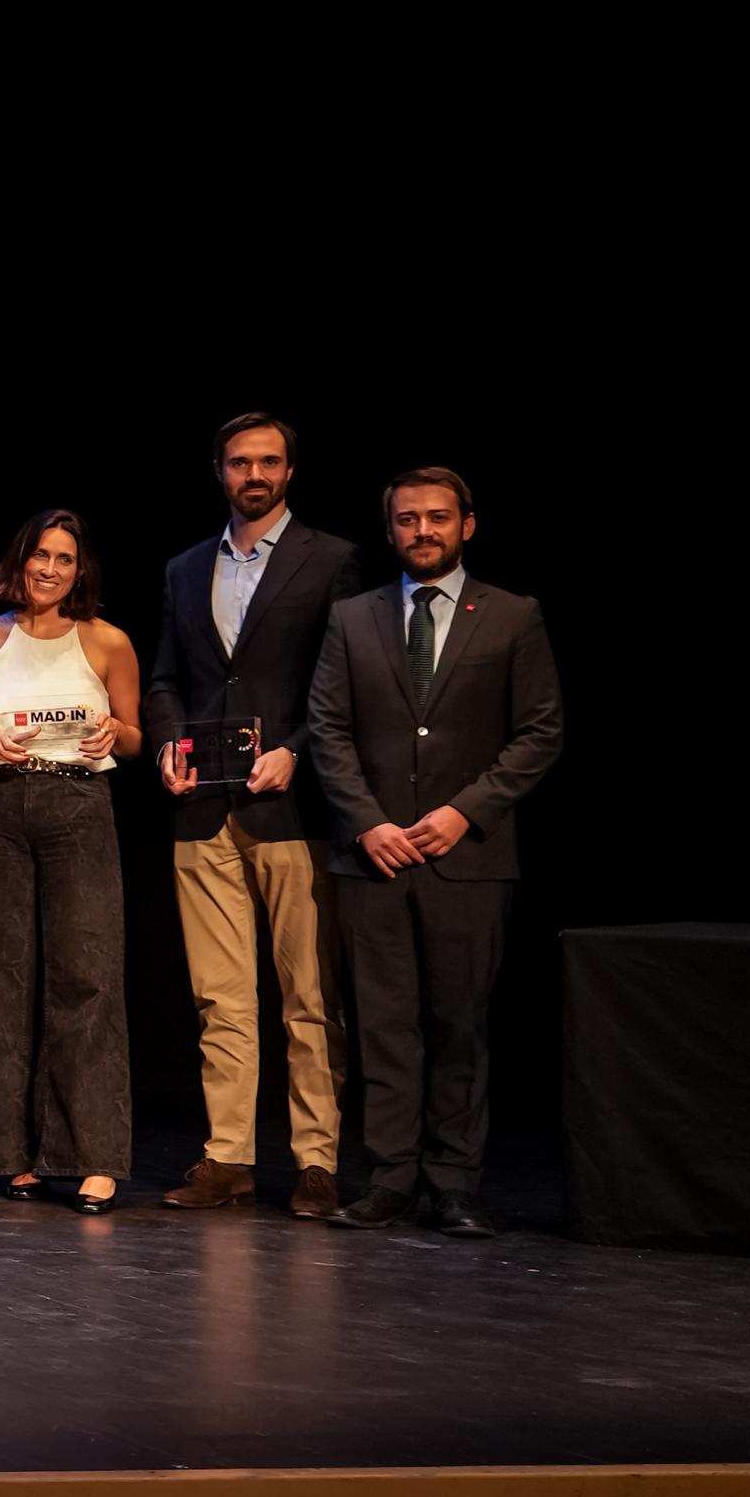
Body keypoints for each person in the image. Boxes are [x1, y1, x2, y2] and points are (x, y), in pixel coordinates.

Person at [307, 468, 563, 1237]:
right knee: (384, 1025)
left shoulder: (513, 615)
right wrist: (367, 822)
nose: (423, 530)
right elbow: (328, 728)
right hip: (374, 859)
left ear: (467, 526)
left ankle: (454, 1184)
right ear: (390, 529)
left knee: (460, 1025)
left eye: (438, 517)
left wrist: (463, 812)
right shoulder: (351, 617)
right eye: (409, 519)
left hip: (469, 858)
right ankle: (389, 1180)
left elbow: (540, 731)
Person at [144, 411, 362, 1217]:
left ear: (290, 472)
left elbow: (343, 683)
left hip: (291, 807)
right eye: (241, 463)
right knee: (220, 997)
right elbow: (166, 679)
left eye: (270, 462)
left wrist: (297, 750)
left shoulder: (332, 560)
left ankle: (316, 1161)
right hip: (203, 808)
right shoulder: (185, 567)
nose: (256, 475)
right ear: (220, 471)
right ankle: (228, 1155)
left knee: (309, 995)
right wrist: (167, 745)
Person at [0, 508, 143, 1213]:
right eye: (40, 555)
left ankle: (92, 1156)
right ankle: (13, 1154)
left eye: (64, 559)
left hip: (79, 805)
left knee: (87, 975)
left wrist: (113, 732)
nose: (50, 569)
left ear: (80, 569)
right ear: (20, 560)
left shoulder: (107, 642)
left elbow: (135, 738)